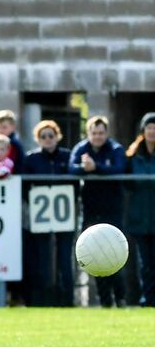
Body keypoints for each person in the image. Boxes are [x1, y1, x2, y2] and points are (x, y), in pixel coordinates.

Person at [70, 115, 127, 308]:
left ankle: (121, 298)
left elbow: (120, 169)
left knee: (116, 256)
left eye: (101, 132)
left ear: (106, 133)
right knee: (96, 257)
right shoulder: (81, 148)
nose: (97, 136)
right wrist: (84, 168)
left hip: (113, 211)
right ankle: (105, 302)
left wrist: (96, 167)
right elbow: (71, 168)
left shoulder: (116, 149)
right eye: (94, 133)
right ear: (88, 133)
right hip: (91, 212)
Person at [22, 120, 74, 307]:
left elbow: (75, 181)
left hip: (64, 215)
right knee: (43, 258)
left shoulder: (68, 156)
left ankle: (67, 300)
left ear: (57, 137)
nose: (47, 139)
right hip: (41, 216)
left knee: (64, 258)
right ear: (38, 139)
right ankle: (44, 300)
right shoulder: (31, 159)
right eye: (43, 136)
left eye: (51, 136)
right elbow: (24, 187)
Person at [125, 113, 155, 307]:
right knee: (145, 264)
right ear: (143, 131)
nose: (152, 131)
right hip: (140, 217)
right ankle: (148, 299)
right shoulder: (132, 157)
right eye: (149, 127)